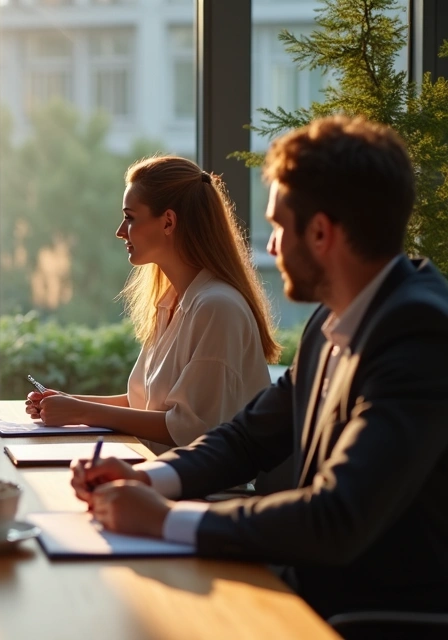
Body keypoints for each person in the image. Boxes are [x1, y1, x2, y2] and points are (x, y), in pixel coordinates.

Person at [71, 116, 448, 620]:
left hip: (371, 618)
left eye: (277, 226)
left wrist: (168, 521)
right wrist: (150, 480)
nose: (269, 247)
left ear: (320, 233)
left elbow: (336, 516)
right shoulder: (332, 321)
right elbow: (246, 438)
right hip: (312, 591)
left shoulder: (419, 336)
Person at [26, 156, 279, 453]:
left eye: (130, 217)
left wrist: (82, 412)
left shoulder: (217, 309)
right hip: (155, 476)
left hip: (203, 494)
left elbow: (191, 429)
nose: (121, 231)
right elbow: (143, 405)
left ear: (169, 222)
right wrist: (71, 402)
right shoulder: (172, 302)